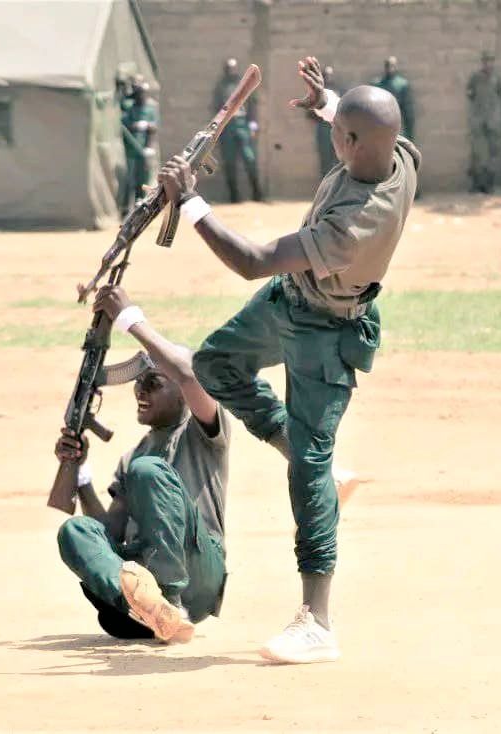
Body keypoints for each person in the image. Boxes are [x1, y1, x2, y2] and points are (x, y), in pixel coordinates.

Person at [158, 56, 420, 664]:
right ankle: (315, 463)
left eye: (337, 132)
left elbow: (252, 260)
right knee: (217, 364)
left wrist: (191, 202)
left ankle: (317, 622)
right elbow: (366, 130)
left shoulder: (359, 221)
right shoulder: (400, 155)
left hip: (327, 333)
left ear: (353, 144)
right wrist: (329, 103)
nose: (332, 136)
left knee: (307, 466)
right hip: (290, 302)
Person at [55, 285, 229, 644]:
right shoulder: (132, 456)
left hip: (199, 570)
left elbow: (189, 375)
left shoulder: (203, 431)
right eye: (138, 384)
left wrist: (130, 319)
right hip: (145, 566)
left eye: (153, 382)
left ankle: (171, 600)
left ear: (180, 390)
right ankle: (142, 608)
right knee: (75, 532)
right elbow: (111, 531)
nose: (140, 391)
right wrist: (81, 472)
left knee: (147, 471)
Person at [213, 57, 264, 203]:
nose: (231, 71)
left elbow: (252, 107)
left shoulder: (243, 86)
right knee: (229, 161)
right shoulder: (221, 87)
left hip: (243, 125)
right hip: (227, 126)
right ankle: (234, 197)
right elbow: (216, 107)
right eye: (229, 69)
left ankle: (257, 194)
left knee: (250, 159)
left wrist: (253, 126)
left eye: (233, 68)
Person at [466, 51, 501, 193]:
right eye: (486, 61)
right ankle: (477, 185)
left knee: (494, 154)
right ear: (482, 62)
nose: (488, 64)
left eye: (491, 61)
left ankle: (491, 185)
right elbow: (470, 94)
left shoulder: (498, 78)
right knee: (478, 153)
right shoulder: (475, 78)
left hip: (494, 120)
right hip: (479, 121)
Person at [120, 77, 159, 215]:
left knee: (143, 179)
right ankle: (125, 209)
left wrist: (150, 148)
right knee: (130, 179)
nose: (142, 97)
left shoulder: (151, 108)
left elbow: (153, 129)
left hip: (144, 149)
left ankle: (141, 206)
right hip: (131, 149)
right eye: (140, 93)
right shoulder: (129, 107)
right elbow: (124, 124)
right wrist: (135, 125)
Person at [310, 64, 346, 178]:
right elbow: (309, 112)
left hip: (336, 127)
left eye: (330, 75)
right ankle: (326, 188)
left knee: (339, 158)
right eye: (326, 75)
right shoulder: (317, 92)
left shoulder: (338, 90)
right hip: (322, 128)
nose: (328, 77)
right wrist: (321, 115)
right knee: (325, 159)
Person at [372, 56, 415, 141]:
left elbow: (407, 110)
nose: (390, 68)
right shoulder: (377, 84)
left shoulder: (402, 84)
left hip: (395, 122)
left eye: (392, 65)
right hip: (379, 122)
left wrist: (409, 134)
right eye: (388, 65)